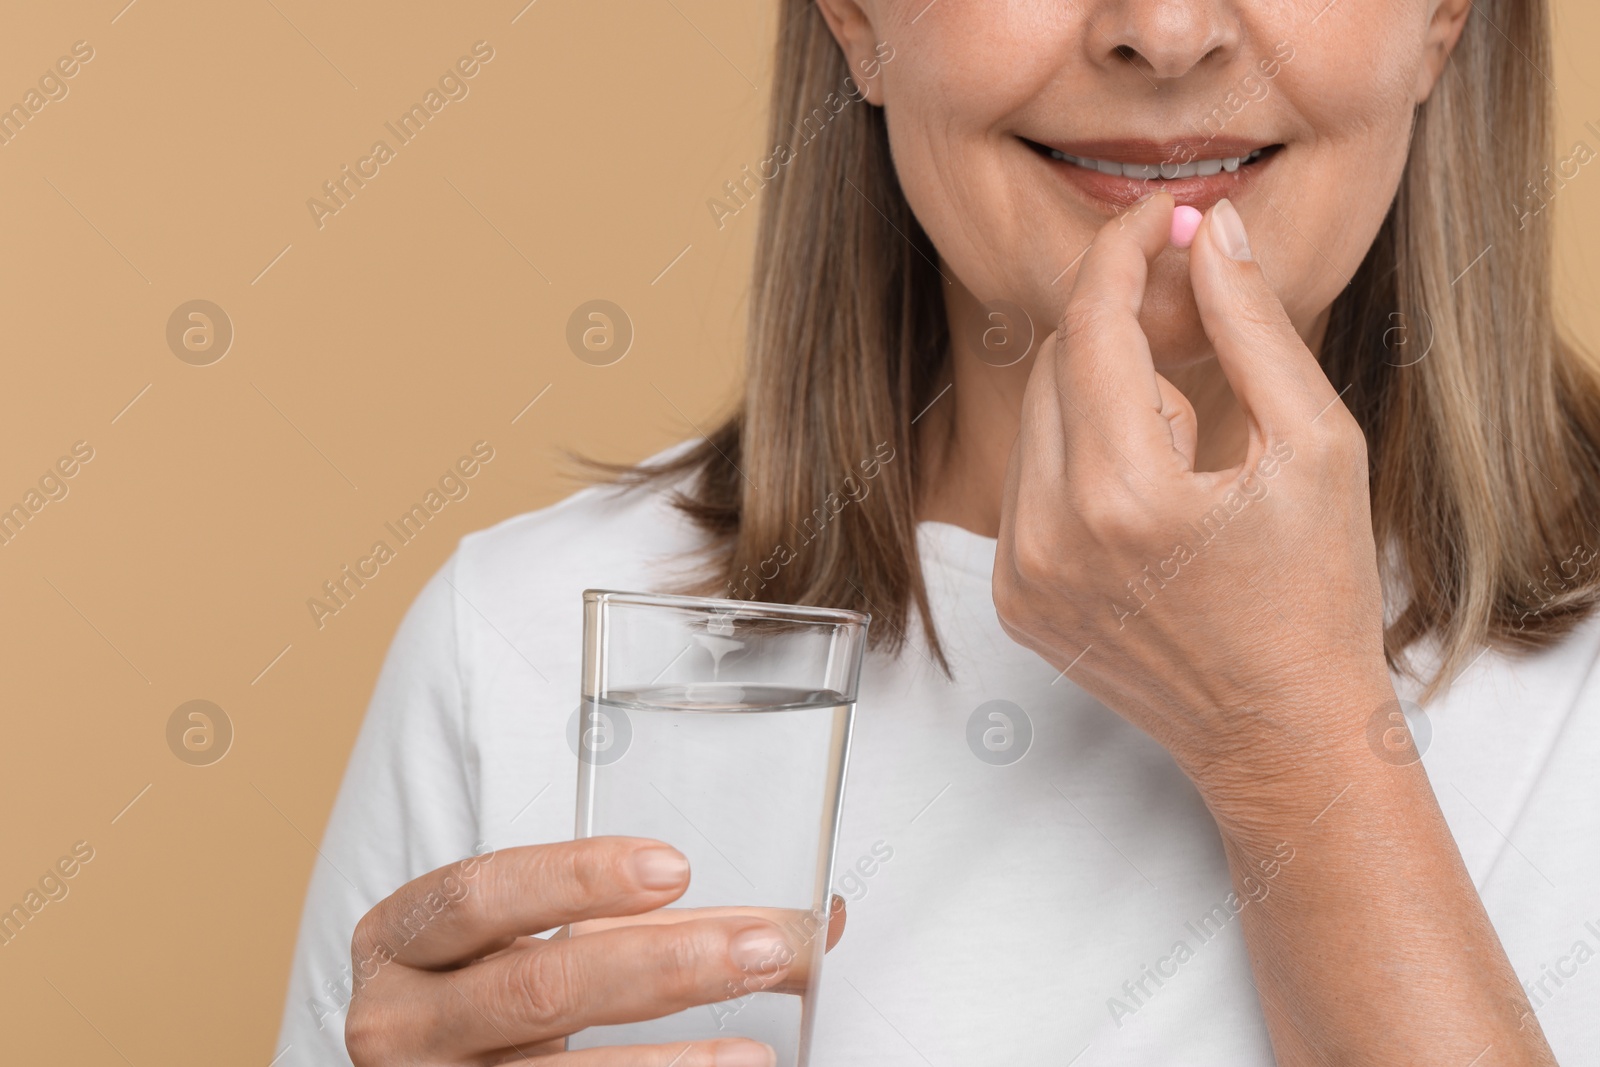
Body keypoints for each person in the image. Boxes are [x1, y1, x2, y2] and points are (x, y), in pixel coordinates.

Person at [278, 0, 1600, 1063]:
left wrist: (1294, 739)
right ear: (854, 18)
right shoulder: (520, 641)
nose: (1168, 27)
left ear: (1447, 19)